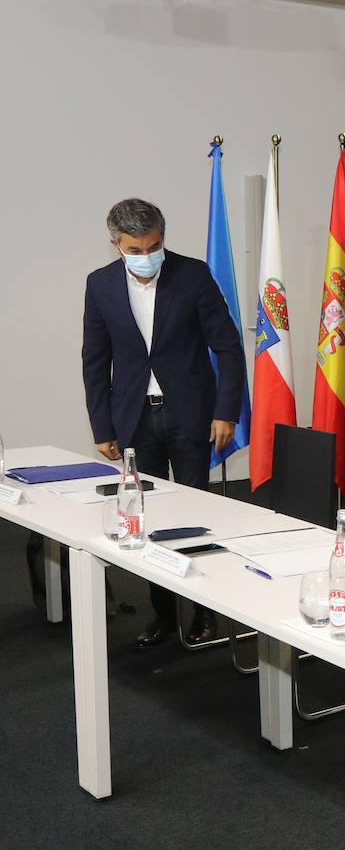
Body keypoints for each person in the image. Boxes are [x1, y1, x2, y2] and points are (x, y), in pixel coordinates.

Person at [82, 198, 245, 648]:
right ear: (117, 245)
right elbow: (94, 360)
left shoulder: (192, 275)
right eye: (136, 248)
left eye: (154, 245)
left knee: (195, 513)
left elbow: (228, 348)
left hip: (191, 413)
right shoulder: (100, 286)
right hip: (134, 417)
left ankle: (205, 612)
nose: (147, 255)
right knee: (146, 518)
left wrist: (226, 411)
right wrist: (102, 428)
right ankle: (163, 613)